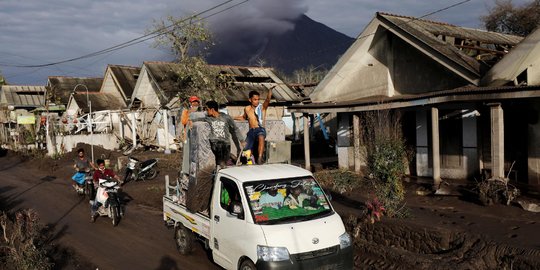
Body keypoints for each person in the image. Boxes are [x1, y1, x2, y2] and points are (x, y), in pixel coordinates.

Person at [235, 86, 274, 164]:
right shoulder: (247, 109)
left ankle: (259, 158)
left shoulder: (262, 107)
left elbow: (268, 100)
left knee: (261, 137)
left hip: (260, 129)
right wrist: (232, 118)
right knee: (245, 151)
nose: (257, 101)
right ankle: (249, 161)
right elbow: (243, 117)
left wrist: (270, 90)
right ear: (250, 100)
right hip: (251, 131)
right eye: (255, 100)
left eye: (258, 99)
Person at [201, 101, 244, 167]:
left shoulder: (226, 117)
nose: (206, 111)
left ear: (212, 109)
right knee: (220, 163)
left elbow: (235, 129)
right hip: (215, 143)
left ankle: (230, 157)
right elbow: (198, 119)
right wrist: (190, 121)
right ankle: (227, 161)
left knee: (224, 161)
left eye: (207, 109)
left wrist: (241, 140)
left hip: (226, 143)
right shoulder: (208, 118)